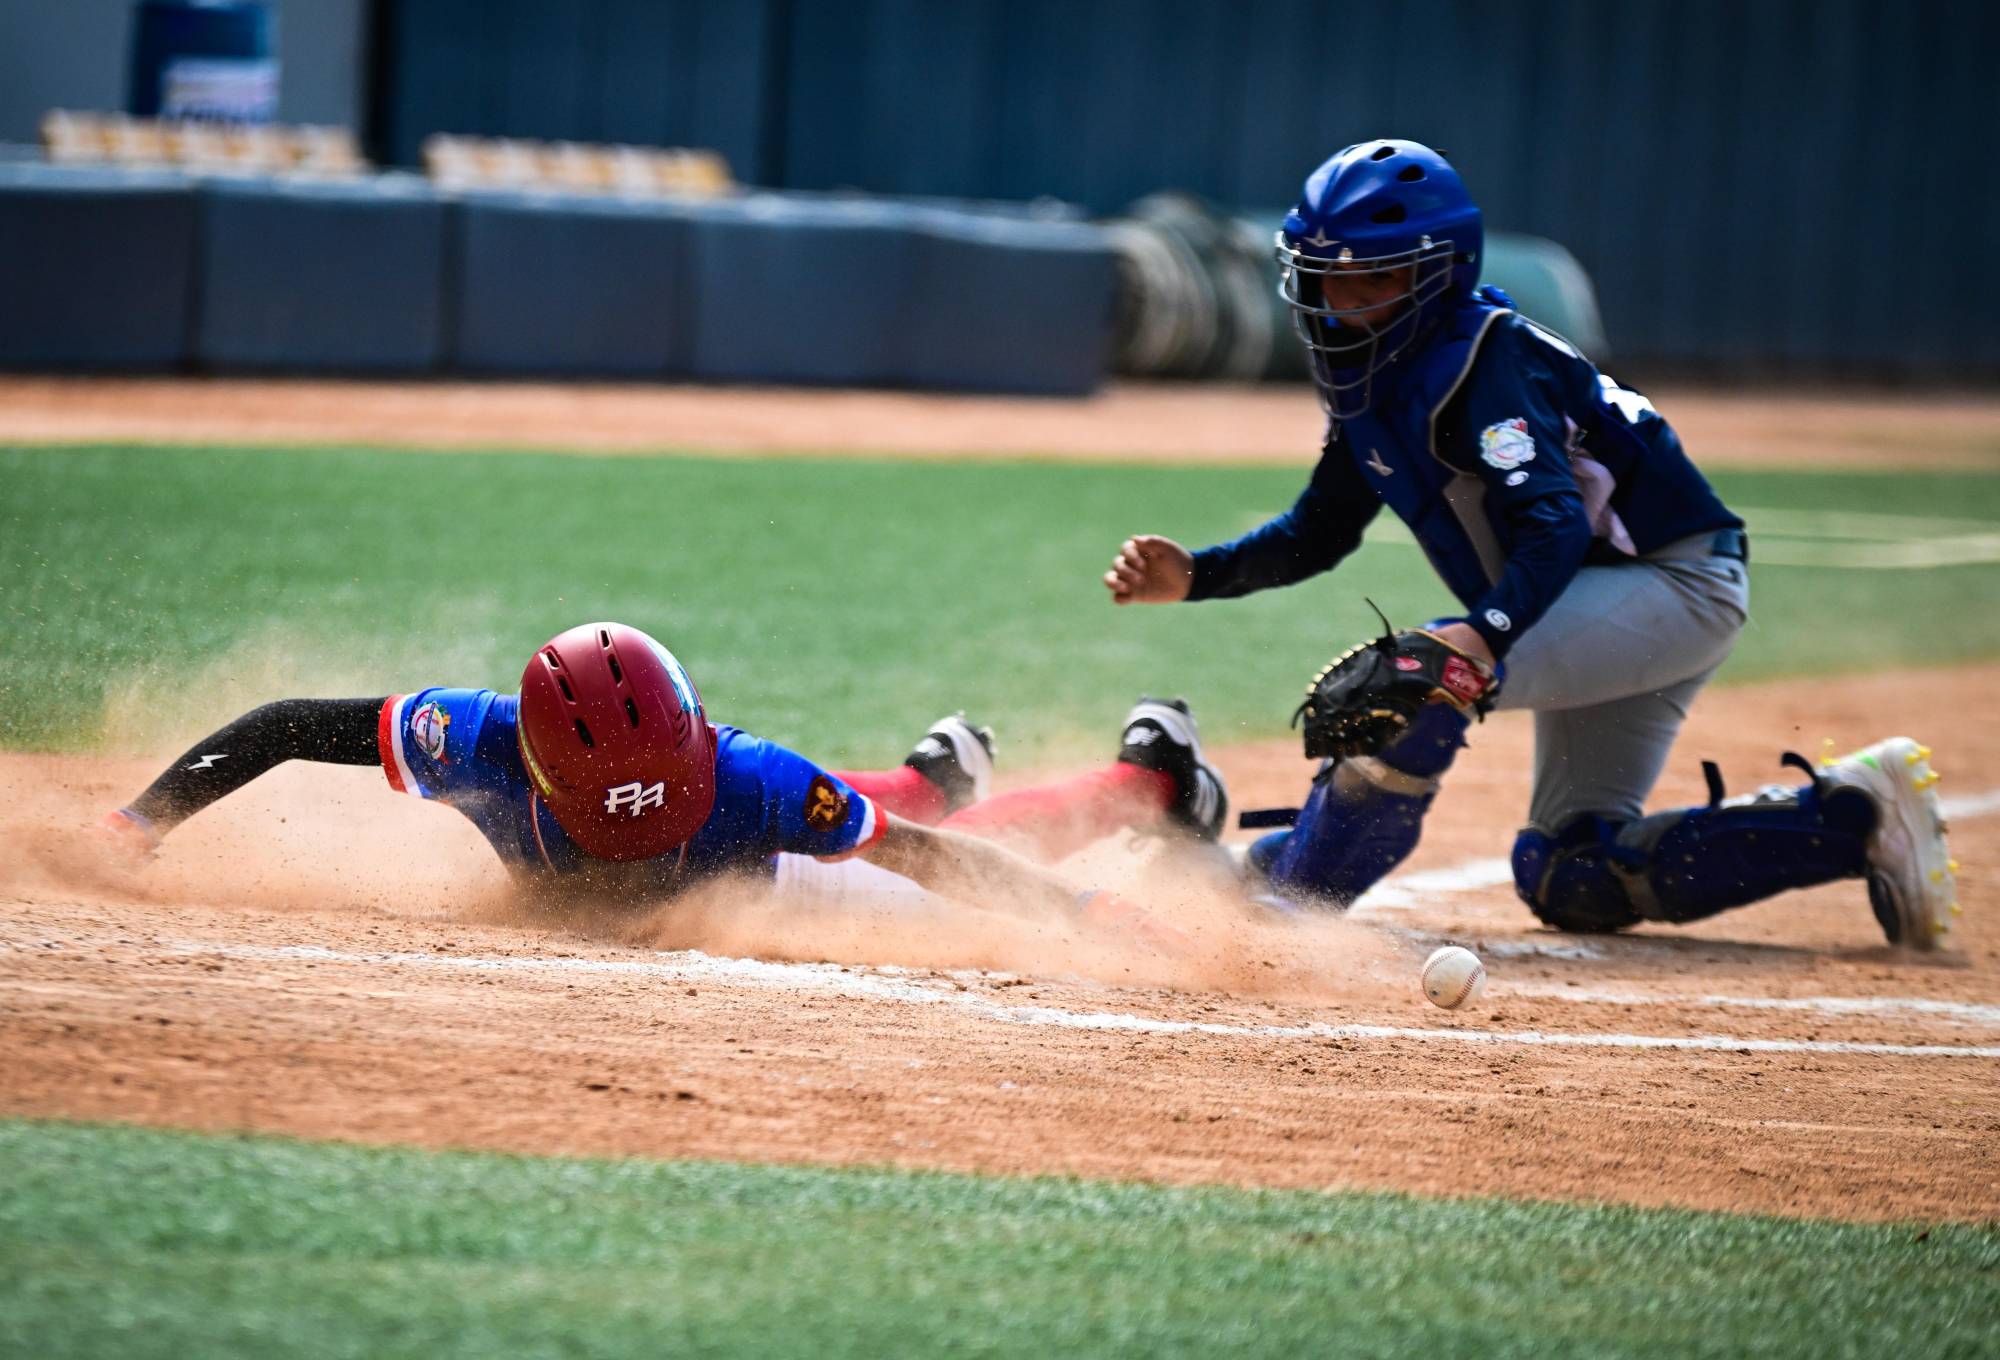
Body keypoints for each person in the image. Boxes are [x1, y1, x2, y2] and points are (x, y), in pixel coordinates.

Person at [1104, 138, 1959, 949]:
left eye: (1372, 282)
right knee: (1572, 874)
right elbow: (1319, 532)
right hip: (1592, 598)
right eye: (1329, 281)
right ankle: (1853, 818)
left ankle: (1286, 899)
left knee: (1417, 680)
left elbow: (1552, 521)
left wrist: (1483, 636)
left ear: (1440, 276)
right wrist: (1198, 575)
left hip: (1672, 585)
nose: (1342, 304)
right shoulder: (1378, 376)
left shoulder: (1484, 363)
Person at [98, 622, 1228, 952]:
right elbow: (288, 726)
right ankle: (937, 766)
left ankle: (1143, 775)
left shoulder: (749, 779)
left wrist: (1082, 911)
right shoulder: (477, 737)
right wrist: (141, 821)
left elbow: (929, 861)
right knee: (882, 798)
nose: (636, 837)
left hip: (779, 882)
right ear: (535, 765)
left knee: (937, 827)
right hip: (757, 806)